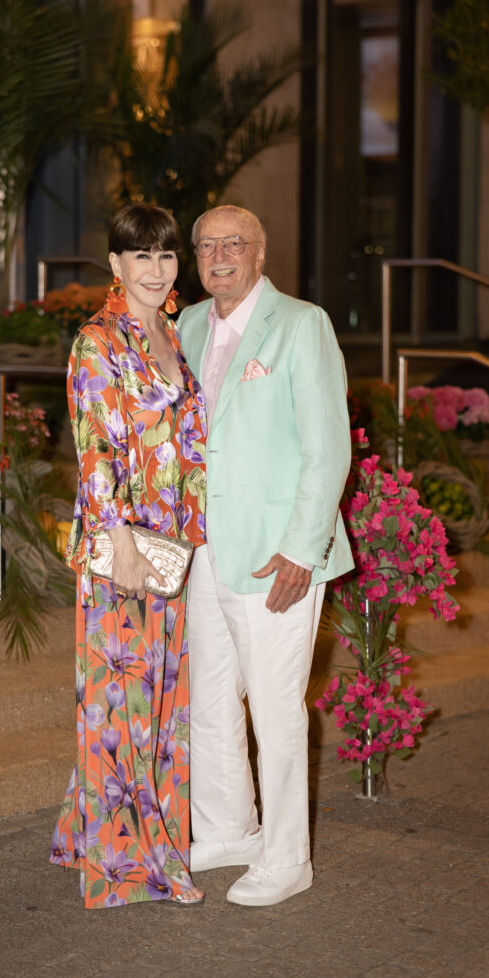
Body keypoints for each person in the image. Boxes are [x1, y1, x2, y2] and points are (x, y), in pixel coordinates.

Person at [177, 204, 354, 907]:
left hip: (274, 554)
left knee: (276, 709)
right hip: (204, 550)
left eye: (234, 244)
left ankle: (287, 858)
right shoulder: (186, 325)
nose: (219, 256)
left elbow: (326, 446)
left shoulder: (302, 324)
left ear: (259, 253)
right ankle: (229, 829)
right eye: (206, 246)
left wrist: (300, 550)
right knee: (211, 699)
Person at [50, 204, 207, 908]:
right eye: (139, 256)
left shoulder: (170, 333)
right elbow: (94, 453)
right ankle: (139, 864)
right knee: (127, 703)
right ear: (114, 266)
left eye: (166, 256)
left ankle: (87, 835)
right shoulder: (98, 342)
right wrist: (120, 548)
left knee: (157, 702)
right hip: (127, 547)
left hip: (171, 542)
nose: (155, 269)